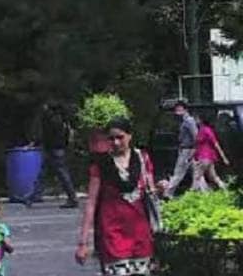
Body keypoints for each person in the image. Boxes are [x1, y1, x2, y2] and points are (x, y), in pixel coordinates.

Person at [75, 117, 156, 276]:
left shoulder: (142, 158)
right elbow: (91, 203)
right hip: (113, 234)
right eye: (111, 138)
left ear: (130, 136)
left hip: (141, 233)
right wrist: (83, 242)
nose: (116, 142)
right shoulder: (101, 163)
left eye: (120, 137)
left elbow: (150, 191)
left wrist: (160, 188)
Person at [31, 103, 78, 208]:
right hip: (58, 148)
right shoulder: (62, 119)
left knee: (60, 173)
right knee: (48, 172)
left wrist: (38, 142)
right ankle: (35, 195)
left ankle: (72, 197)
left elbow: (47, 135)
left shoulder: (51, 119)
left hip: (53, 148)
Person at [165, 100, 197, 197]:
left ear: (185, 109)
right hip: (187, 149)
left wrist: (194, 150)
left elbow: (196, 136)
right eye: (176, 109)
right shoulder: (184, 121)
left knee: (179, 172)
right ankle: (203, 193)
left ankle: (168, 193)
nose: (177, 111)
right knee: (197, 173)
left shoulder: (189, 121)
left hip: (188, 150)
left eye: (179, 108)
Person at [192, 113, 229, 191]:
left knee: (197, 176)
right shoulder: (205, 130)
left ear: (200, 120)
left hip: (204, 157)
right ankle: (225, 190)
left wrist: (224, 157)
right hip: (209, 158)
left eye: (196, 119)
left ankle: (195, 195)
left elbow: (215, 143)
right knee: (213, 177)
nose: (195, 120)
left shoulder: (205, 130)